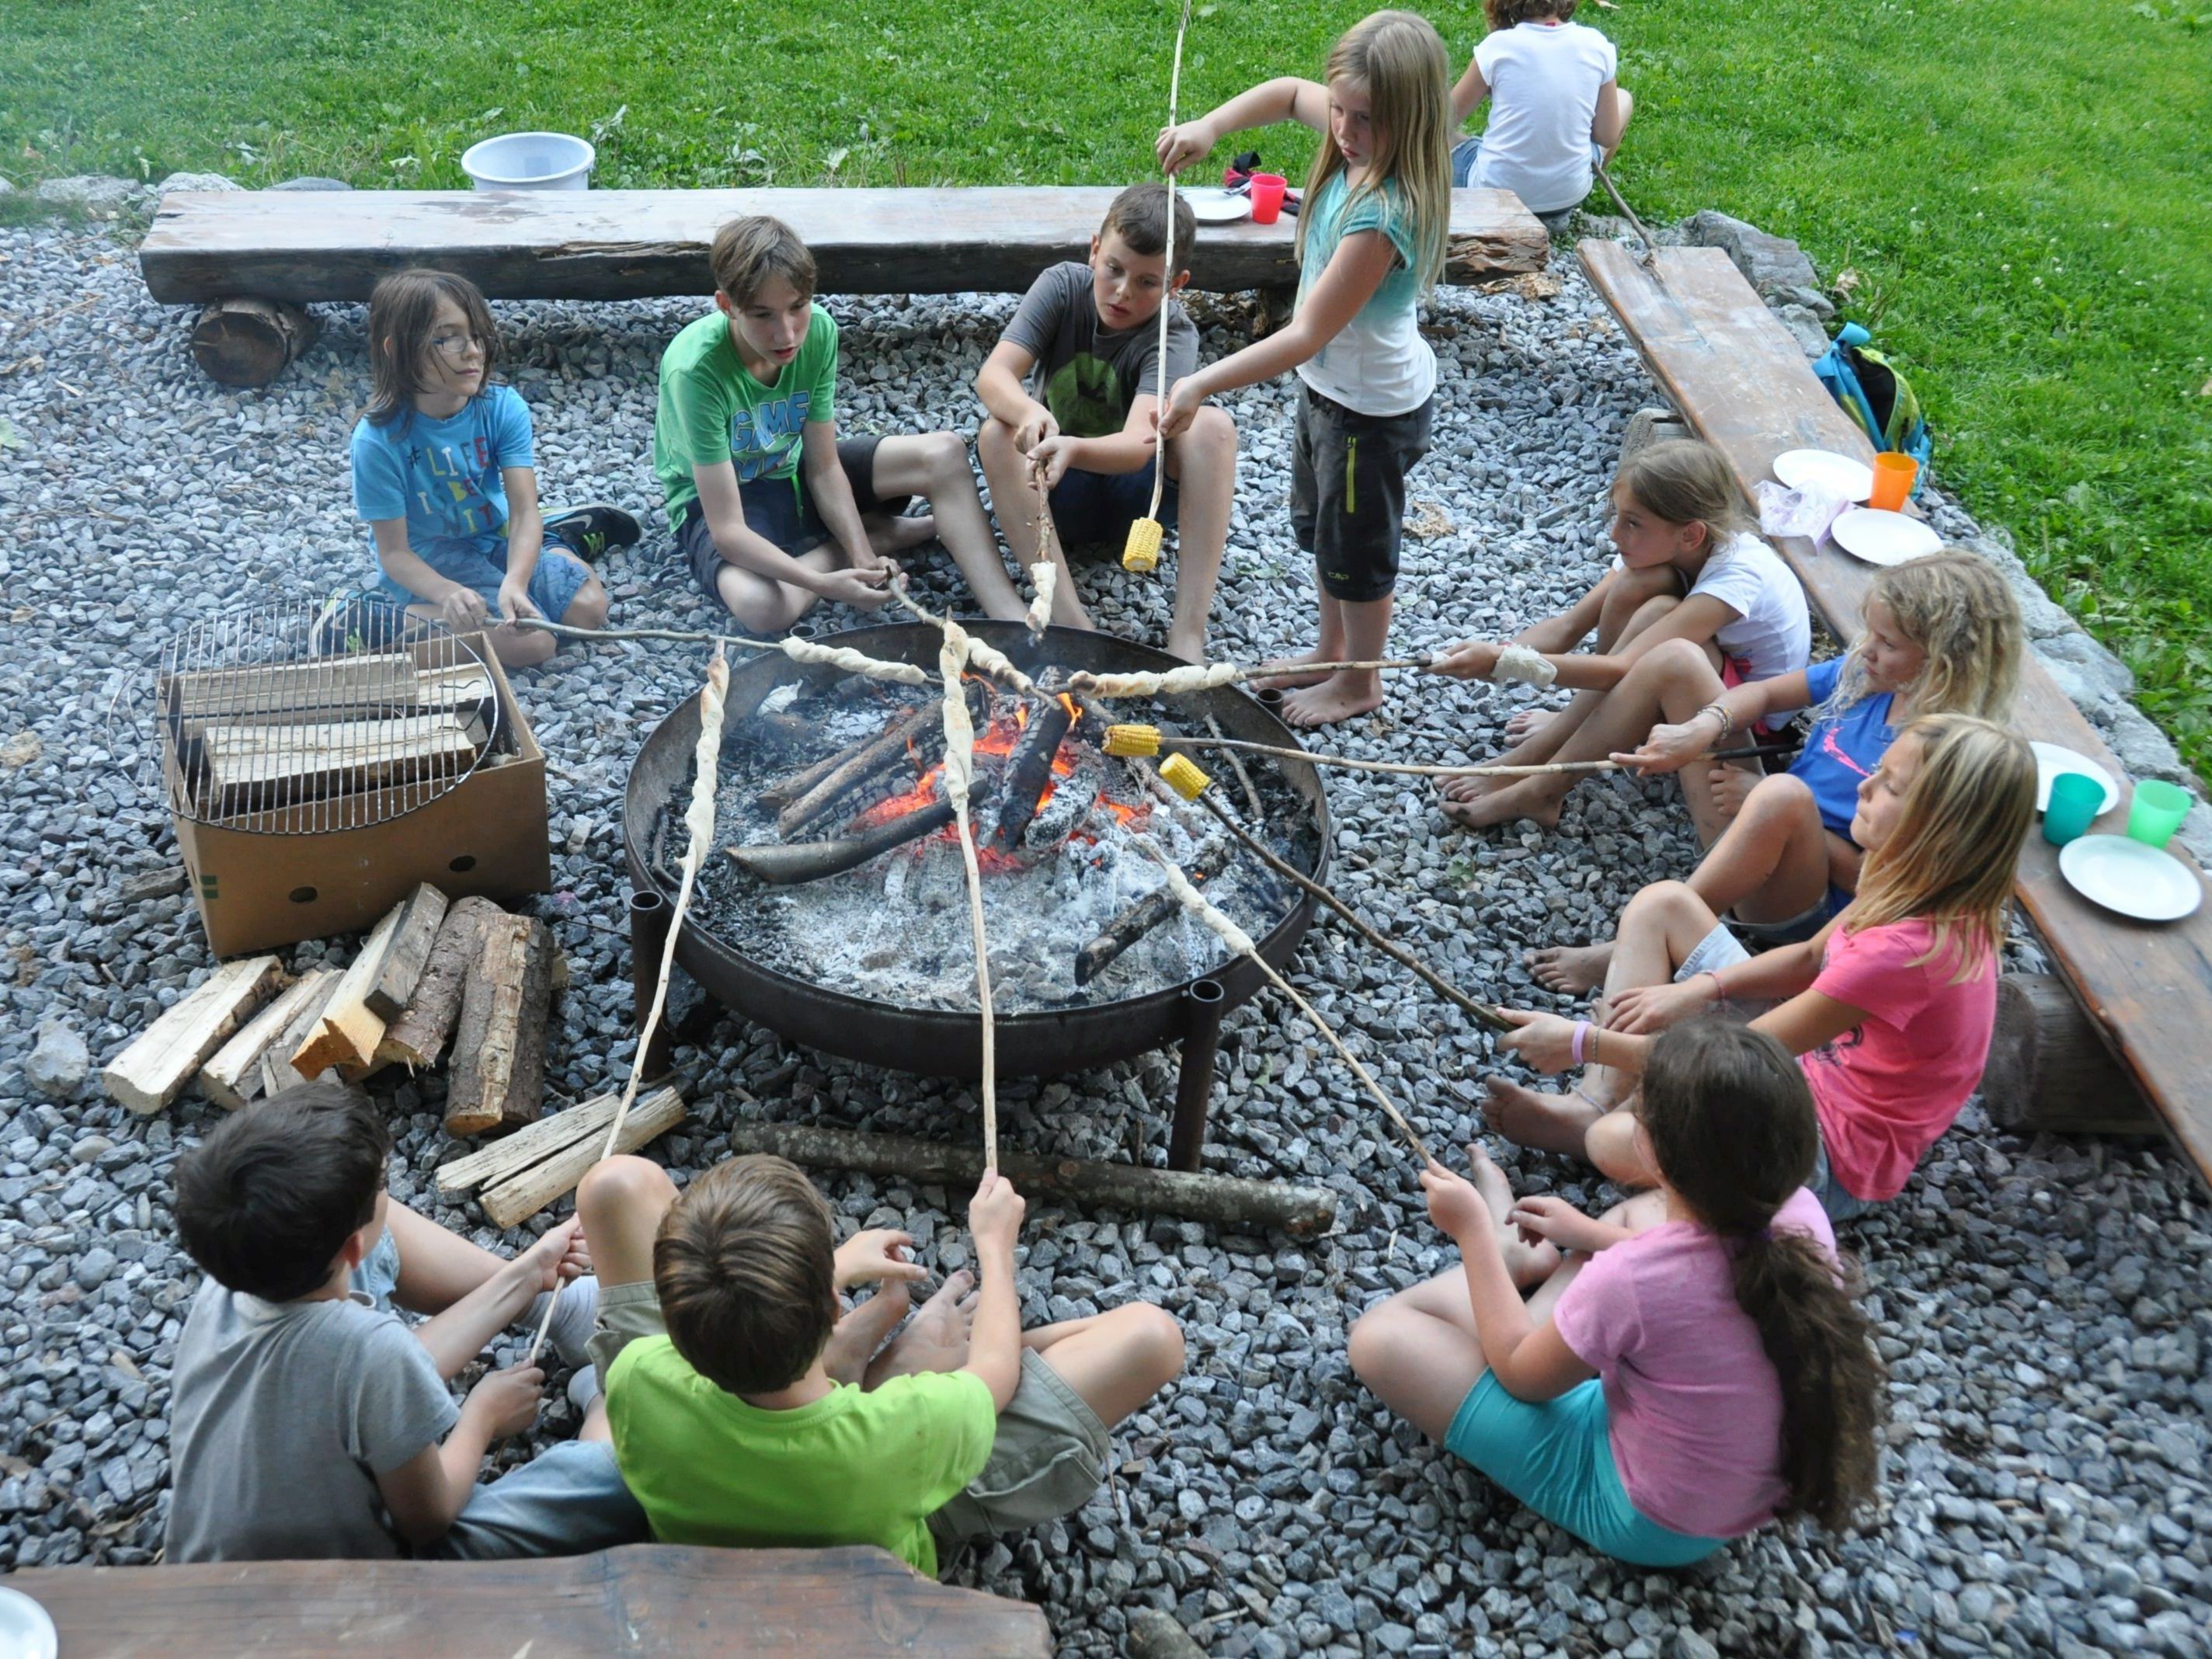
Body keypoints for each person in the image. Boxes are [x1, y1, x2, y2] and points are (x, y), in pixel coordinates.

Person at [1348, 1024, 1883, 1565]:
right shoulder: (1801, 1213)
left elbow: (1521, 1375)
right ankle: (1518, 1275)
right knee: (1636, 1219)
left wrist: (1472, 1235)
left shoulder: (1634, 1277)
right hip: (1722, 1489)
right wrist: (1589, 1235)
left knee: (1380, 1337)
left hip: (1651, 1520)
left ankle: (1510, 1255)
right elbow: (1698, 1278)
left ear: (1650, 1150)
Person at [1486, 714, 2037, 1222]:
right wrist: (1702, 987)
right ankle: (1595, 1102)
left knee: (1613, 1143)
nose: (1863, 789)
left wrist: (1583, 1041)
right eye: (1878, 772)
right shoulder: (1905, 884)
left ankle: (1665, 1175)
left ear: (1942, 829)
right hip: (1801, 1065)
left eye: (1890, 787)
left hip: (1822, 1152)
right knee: (1664, 904)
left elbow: (1739, 1056)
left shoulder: (1909, 952)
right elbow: (1805, 960)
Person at [574, 1153, 1184, 1575]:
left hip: (764, 1480)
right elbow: (994, 1373)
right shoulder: (907, 1431)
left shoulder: (638, 1375)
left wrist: (827, 1272)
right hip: (882, 1503)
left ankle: (873, 1366)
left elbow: (688, 1335)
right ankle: (897, 1367)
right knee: (1152, 1336)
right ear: (834, 1306)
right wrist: (996, 1249)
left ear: (673, 1319)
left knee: (613, 1184)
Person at [164, 1082, 644, 1562]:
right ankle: (613, 1403)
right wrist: (481, 1418)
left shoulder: (232, 1281)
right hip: (346, 1584)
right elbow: (427, 1519)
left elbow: (362, 1381)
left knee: (340, 1222)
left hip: (220, 1550)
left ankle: (560, 1308)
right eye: (382, 1186)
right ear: (353, 1252)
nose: (386, 1192)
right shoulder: (371, 1350)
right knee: (616, 1476)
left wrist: (526, 1275)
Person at [1531, 549, 2025, 991]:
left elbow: (1892, 892)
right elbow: (1766, 695)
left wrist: (1770, 802)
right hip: (1754, 827)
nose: (1866, 648)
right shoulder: (1869, 677)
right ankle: (1539, 788)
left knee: (1785, 796)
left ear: (1947, 662)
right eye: (1871, 631)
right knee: (1681, 657)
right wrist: (1704, 727)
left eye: (1888, 642)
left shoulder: (1945, 756)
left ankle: (1636, 946)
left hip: (1803, 905)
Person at [1153, 10, 1453, 727]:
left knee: (1360, 556)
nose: (1343, 131)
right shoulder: (1359, 137)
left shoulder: (1382, 216)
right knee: (1325, 534)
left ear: (1407, 120)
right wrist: (1210, 128)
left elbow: (1305, 333)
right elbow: (1290, 92)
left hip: (1370, 412)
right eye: (1340, 110)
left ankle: (1360, 681)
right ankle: (1329, 651)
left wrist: (1199, 381)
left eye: (1363, 120)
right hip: (1330, 393)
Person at [654, 214, 1027, 635]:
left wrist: (862, 556)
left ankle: (1012, 620)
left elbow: (824, 467)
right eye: (763, 315)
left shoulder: (820, 334)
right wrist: (826, 583)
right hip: (723, 499)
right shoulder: (695, 369)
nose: (787, 333)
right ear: (727, 306)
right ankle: (889, 535)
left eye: (798, 307)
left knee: (943, 453)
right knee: (761, 607)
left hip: (793, 477)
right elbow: (727, 531)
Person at [1432, 437, 1811, 830]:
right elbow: (1566, 628)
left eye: (1632, 523)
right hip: (1712, 679)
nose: (1615, 534)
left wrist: (1506, 663)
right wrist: (1494, 653)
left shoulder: (1737, 578)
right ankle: (1583, 725)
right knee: (1638, 587)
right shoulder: (1664, 549)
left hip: (1747, 720)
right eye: (1618, 516)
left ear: (1691, 535)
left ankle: (1540, 780)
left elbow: (1623, 668)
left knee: (1663, 620)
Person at [975, 183, 1238, 664]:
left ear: (1176, 284)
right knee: (996, 431)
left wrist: (1074, 447)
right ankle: (1072, 625)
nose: (1122, 292)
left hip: (1135, 499)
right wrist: (1030, 412)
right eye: (1114, 270)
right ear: (1095, 250)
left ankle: (1187, 638)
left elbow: (1141, 442)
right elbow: (993, 376)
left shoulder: (1173, 333)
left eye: (1147, 282)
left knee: (1212, 426)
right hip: (1050, 494)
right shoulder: (1062, 285)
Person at [339, 269, 631, 667]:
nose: (473, 350)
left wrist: (516, 580)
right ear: (396, 349)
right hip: (431, 559)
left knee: (588, 610)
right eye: (446, 338)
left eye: (476, 335)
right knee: (534, 645)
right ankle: (373, 621)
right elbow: (394, 553)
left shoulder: (502, 408)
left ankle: (556, 538)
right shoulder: (377, 440)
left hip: (497, 535)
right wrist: (445, 593)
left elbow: (526, 511)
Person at [1451, 0, 1632, 233]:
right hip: (1566, 197)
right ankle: (1567, 182)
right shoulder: (1596, 45)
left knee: (1443, 137)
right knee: (1624, 98)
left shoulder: (1497, 48)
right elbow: (1606, 136)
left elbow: (1443, 120)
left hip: (1494, 196)